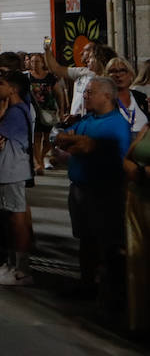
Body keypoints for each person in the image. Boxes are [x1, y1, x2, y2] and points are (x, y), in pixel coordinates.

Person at [55, 76, 133, 305]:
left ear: (107, 96)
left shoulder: (116, 124)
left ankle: (114, 295)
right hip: (80, 188)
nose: (85, 96)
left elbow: (81, 144)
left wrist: (73, 142)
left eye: (90, 92)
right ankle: (87, 285)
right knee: (86, 240)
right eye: (86, 92)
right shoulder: (88, 118)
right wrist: (71, 142)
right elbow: (60, 137)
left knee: (108, 243)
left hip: (104, 191)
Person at [0, 71, 35, 287]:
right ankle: (11, 263)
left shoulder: (15, 112)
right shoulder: (12, 110)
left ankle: (21, 269)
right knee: (8, 217)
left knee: (16, 218)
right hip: (5, 169)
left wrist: (0, 114)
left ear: (13, 89)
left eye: (0, 83)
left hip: (13, 170)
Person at [125, 123, 150, 334]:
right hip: (136, 199)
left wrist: (139, 170)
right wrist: (137, 170)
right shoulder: (147, 127)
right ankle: (139, 321)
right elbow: (126, 158)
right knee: (136, 261)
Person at [29, 52, 66, 173]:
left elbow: (59, 94)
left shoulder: (50, 77)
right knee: (37, 136)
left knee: (49, 138)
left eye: (37, 61)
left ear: (43, 63)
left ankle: (42, 156)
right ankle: (38, 162)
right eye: (32, 61)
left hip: (49, 110)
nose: (34, 64)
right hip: (35, 111)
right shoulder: (28, 77)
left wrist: (61, 109)